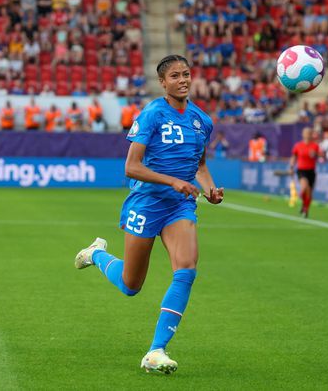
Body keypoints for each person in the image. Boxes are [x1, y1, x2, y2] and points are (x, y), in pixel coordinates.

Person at [74, 55, 224, 374]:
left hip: (179, 206)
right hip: (146, 202)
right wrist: (173, 180)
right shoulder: (153, 114)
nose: (183, 79)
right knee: (131, 284)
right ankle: (97, 255)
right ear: (163, 82)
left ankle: (156, 350)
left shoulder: (202, 121)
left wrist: (210, 190)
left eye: (186, 74)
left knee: (186, 269)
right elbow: (132, 166)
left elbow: (200, 166)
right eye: (175, 75)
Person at [289, 127, 320, 218]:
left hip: (311, 170)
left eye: (309, 133)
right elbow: (294, 157)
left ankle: (305, 209)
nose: (308, 135)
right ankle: (304, 205)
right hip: (301, 170)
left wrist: (314, 155)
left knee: (309, 193)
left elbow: (319, 156)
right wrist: (291, 167)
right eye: (306, 133)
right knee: (304, 187)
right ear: (303, 134)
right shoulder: (298, 145)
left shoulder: (315, 146)